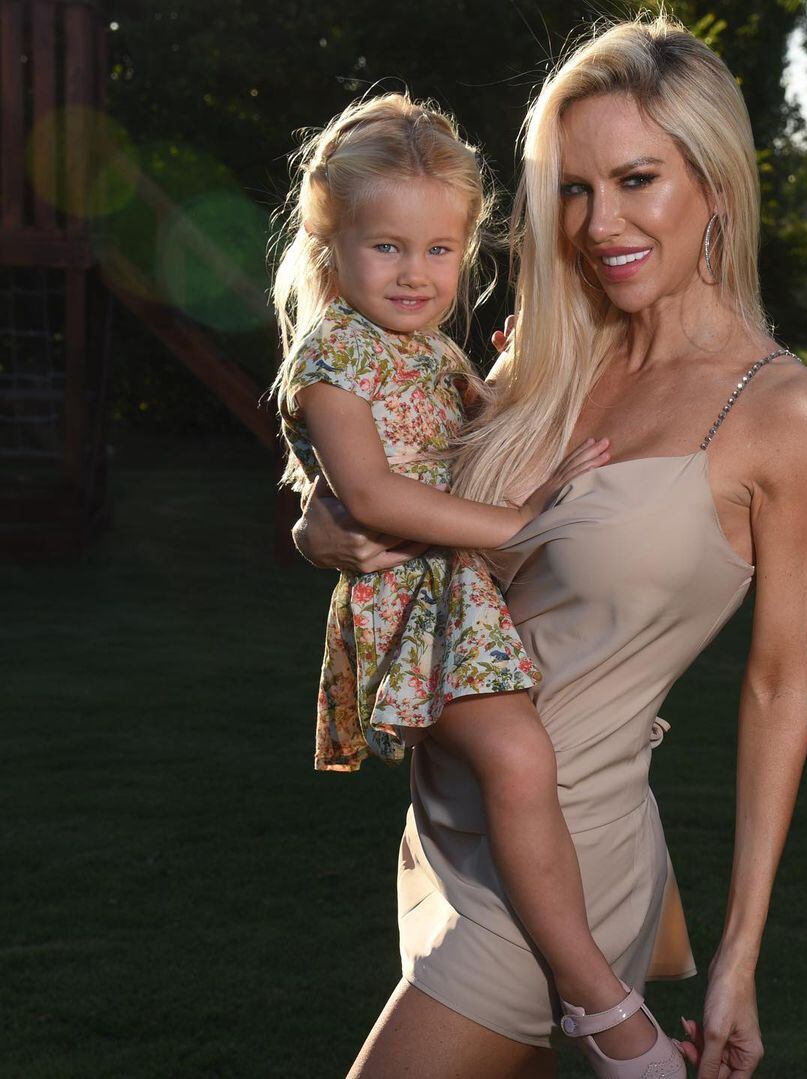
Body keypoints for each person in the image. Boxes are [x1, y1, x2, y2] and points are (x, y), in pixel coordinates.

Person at [294, 16, 807, 1079]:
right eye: (575, 187)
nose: (603, 223)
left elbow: (781, 689)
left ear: (716, 185)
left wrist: (739, 957)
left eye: (638, 179)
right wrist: (319, 528)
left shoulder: (792, 417)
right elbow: (406, 515)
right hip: (449, 825)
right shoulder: (540, 361)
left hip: (560, 846)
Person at [272, 92, 687, 1076]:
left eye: (439, 250)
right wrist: (528, 521)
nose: (416, 273)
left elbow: (478, 444)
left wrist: (515, 393)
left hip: (464, 601)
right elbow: (375, 494)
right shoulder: (330, 357)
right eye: (387, 248)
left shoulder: (437, 356)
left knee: (526, 767)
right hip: (413, 609)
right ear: (335, 255)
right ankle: (600, 1001)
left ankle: (578, 983)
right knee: (515, 754)